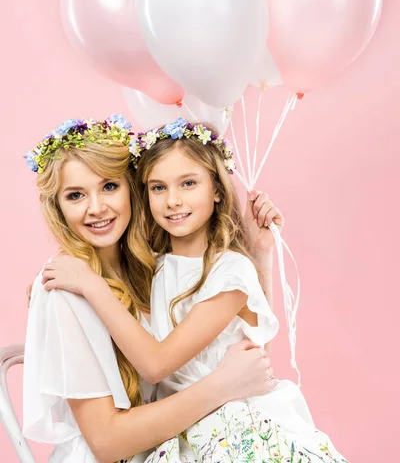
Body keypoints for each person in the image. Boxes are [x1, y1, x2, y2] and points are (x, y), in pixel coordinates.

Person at [43, 117, 348, 462]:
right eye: (158, 188)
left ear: (217, 189)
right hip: (184, 424)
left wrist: (88, 283)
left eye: (188, 183)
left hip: (231, 422)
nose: (173, 200)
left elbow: (157, 364)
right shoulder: (152, 267)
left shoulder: (228, 272)